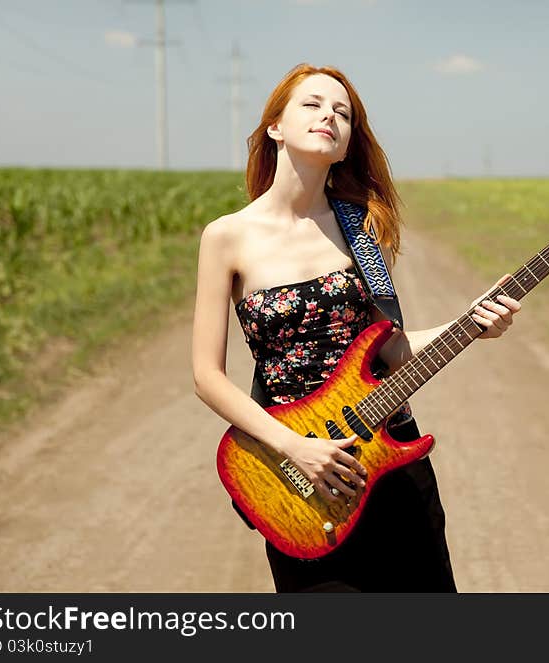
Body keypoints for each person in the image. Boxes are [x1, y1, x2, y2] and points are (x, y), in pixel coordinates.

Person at [191, 63, 522, 592]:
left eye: (342, 113)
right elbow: (207, 375)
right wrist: (295, 448)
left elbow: (389, 353)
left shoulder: (363, 231)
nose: (329, 116)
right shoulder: (227, 237)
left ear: (346, 145)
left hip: (389, 458)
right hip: (298, 475)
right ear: (275, 125)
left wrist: (470, 324)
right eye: (313, 104)